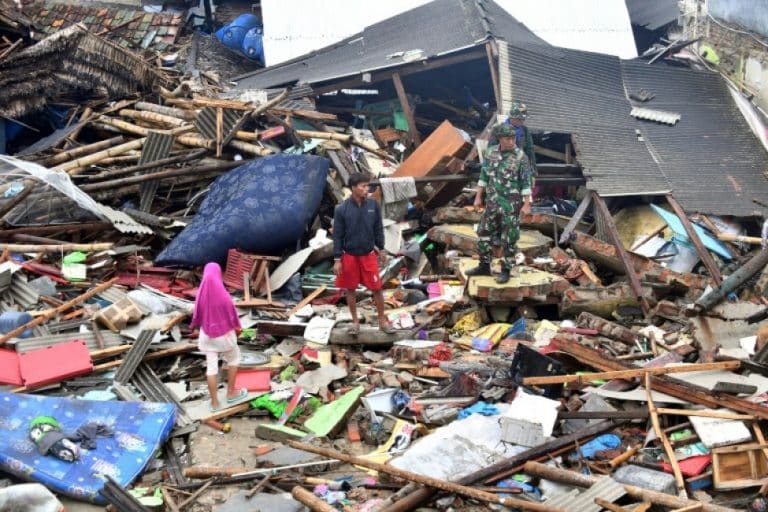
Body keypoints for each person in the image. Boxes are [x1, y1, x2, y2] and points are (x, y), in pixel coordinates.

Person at [466, 123, 533, 283]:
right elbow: (484, 177)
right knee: (483, 232)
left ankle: (506, 270)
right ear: (500, 139)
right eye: (507, 139)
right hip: (492, 203)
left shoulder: (521, 157)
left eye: (513, 138)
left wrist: (526, 204)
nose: (511, 142)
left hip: (511, 205)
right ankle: (484, 265)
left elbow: (526, 183)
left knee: (509, 239)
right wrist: (477, 197)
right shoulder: (491, 153)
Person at [333, 173, 393, 335]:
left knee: (377, 288)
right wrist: (337, 259)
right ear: (353, 188)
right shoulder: (342, 209)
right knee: (350, 289)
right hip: (349, 255)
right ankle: (355, 322)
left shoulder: (373, 205)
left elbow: (378, 228)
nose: (367, 189)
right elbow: (337, 235)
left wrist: (381, 249)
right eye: (363, 186)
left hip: (368, 255)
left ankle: (382, 321)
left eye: (368, 186)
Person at [190, 262, 245, 411]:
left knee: (212, 368)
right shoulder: (223, 294)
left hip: (206, 335)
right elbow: (232, 316)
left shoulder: (201, 293)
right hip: (224, 336)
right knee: (234, 359)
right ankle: (231, 392)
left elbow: (196, 315)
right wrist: (238, 328)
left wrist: (195, 326)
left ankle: (214, 402)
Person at [506, 101, 537, 177]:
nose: (522, 121)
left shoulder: (525, 130)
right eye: (519, 119)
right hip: (504, 167)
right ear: (512, 117)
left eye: (523, 119)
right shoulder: (499, 129)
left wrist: (533, 168)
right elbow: (491, 149)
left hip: (521, 166)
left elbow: (530, 150)